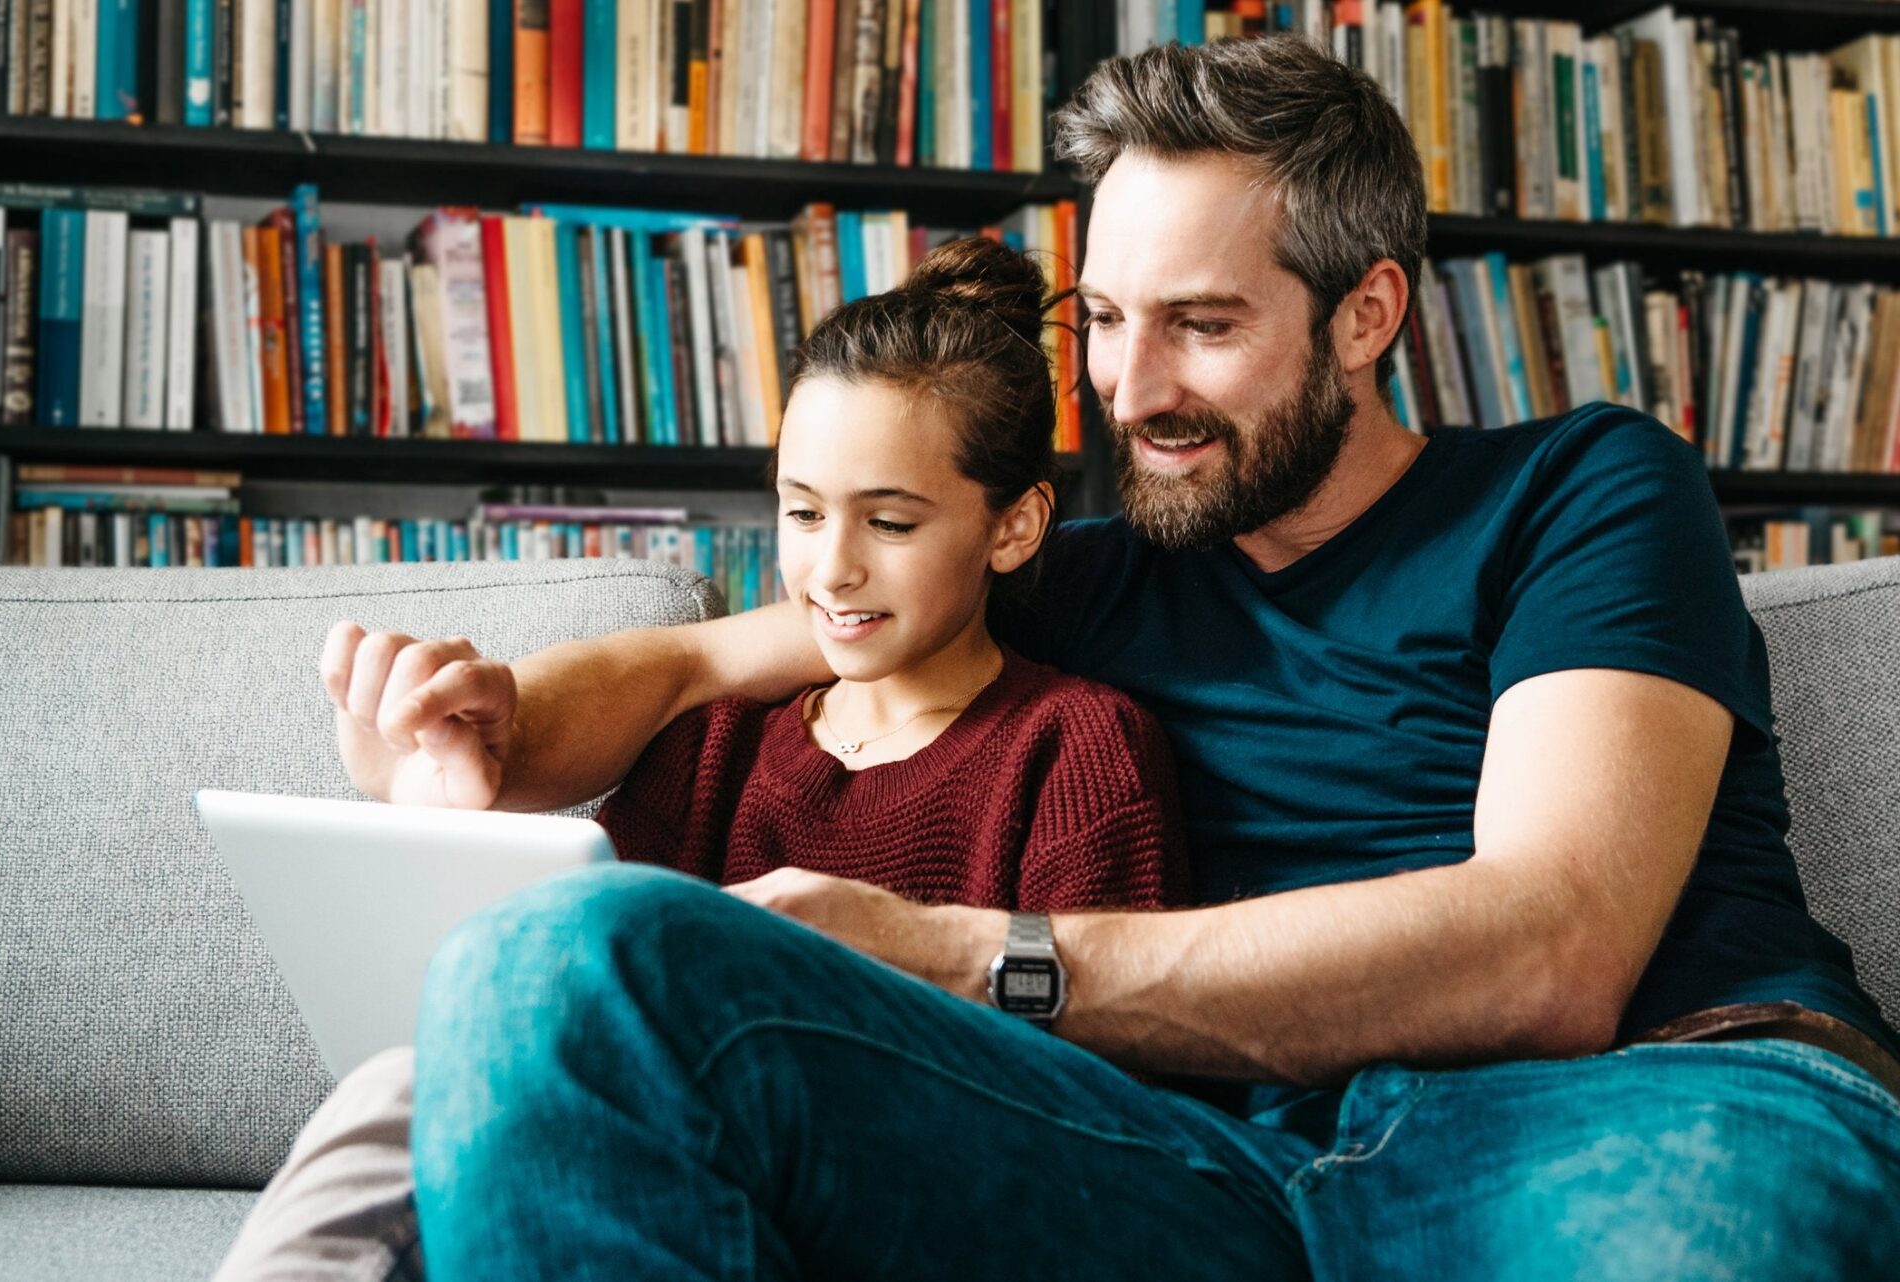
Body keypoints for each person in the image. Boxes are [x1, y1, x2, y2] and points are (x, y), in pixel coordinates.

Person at [296, 36, 1900, 1281]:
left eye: (1200, 324)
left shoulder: (1581, 490)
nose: (1131, 390)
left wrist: (965, 951)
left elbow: (1550, 950)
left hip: (1647, 1096)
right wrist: (473, 730)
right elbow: (698, 661)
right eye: (1105, 320)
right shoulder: (1074, 573)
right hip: (1193, 1152)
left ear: (1366, 314)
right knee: (563, 967)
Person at [215, 238, 1192, 1282]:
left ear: (1016, 525)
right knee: (418, 1083)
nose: (832, 565)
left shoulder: (1077, 749)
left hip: (916, 1184)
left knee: (441, 1084)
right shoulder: (717, 747)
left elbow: (1099, 1105)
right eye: (804, 511)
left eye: (891, 521)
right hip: (678, 1175)